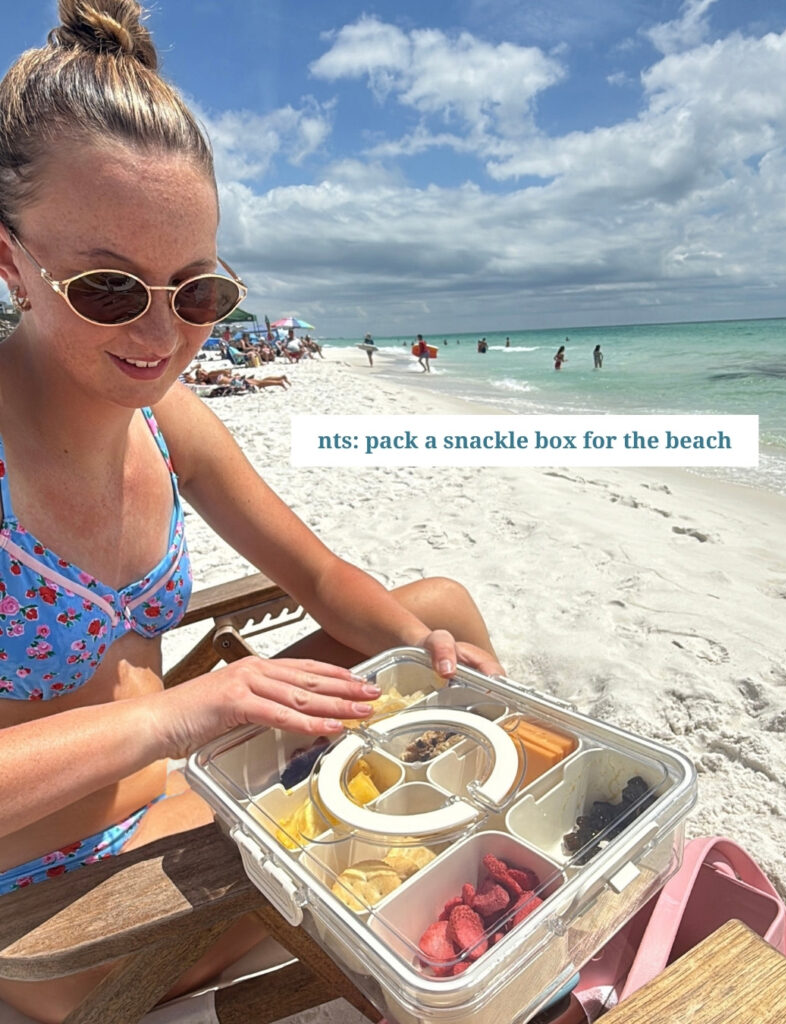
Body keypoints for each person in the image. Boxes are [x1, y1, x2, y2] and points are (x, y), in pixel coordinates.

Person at [0, 4, 501, 1021]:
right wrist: (186, 710)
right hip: (54, 905)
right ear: (10, 261)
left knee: (440, 611)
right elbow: (178, 714)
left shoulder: (165, 418)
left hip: (187, 776)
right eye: (107, 288)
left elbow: (316, 577)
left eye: (198, 292)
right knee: (428, 837)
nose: (159, 332)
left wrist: (414, 641)